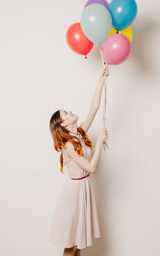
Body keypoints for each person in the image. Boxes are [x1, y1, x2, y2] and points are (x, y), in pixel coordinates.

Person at [49, 65, 109, 256]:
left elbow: (94, 107)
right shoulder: (67, 145)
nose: (69, 111)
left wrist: (101, 79)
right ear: (64, 124)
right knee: (71, 243)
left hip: (84, 191)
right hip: (74, 195)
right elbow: (91, 168)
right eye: (65, 113)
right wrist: (99, 142)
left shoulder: (80, 134)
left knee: (79, 243)